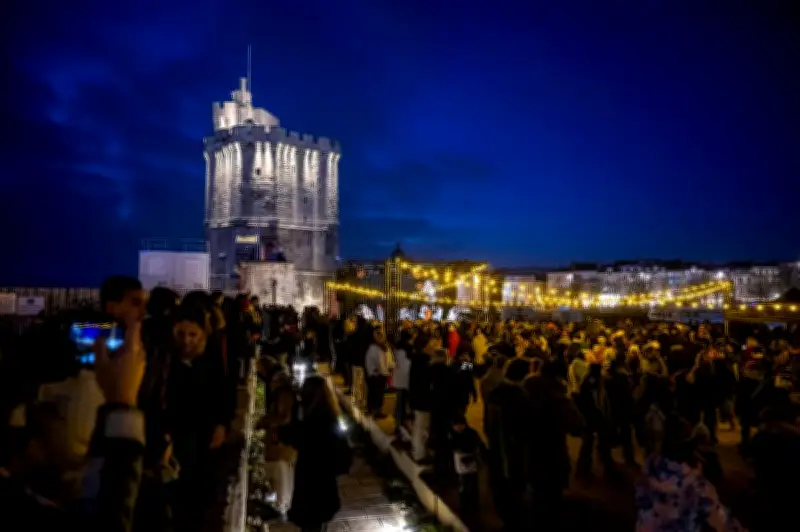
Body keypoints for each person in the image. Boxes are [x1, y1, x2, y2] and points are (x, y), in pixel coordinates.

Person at [289, 376, 347, 532]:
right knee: (318, 520)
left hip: (309, 476)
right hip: (323, 477)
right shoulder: (330, 416)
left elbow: (294, 438)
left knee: (310, 522)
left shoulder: (304, 415)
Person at [365, 328, 391, 418]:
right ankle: (376, 411)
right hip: (376, 375)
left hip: (377, 374)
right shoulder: (374, 348)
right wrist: (384, 372)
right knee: (376, 393)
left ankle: (373, 409)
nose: (382, 339)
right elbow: (378, 363)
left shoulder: (381, 347)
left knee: (375, 393)